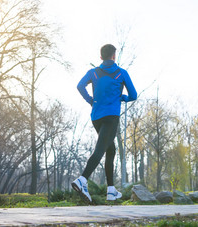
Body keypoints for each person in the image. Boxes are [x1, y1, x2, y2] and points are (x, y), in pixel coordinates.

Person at [72, 44, 137, 204]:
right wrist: (123, 98)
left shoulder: (93, 72)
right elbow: (133, 95)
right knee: (101, 149)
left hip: (96, 117)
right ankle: (82, 180)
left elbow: (80, 86)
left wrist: (90, 101)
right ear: (114, 56)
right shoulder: (121, 73)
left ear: (101, 57)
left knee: (111, 148)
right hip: (111, 117)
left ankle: (111, 190)